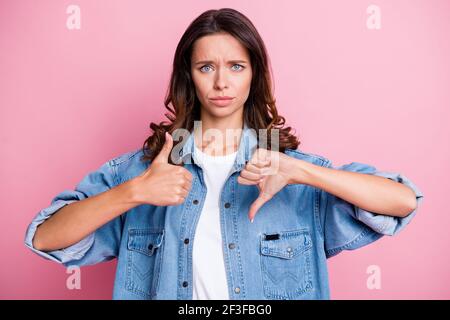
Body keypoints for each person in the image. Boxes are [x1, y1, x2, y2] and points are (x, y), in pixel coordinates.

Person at [25, 8, 423, 300]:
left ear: (254, 74)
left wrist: (301, 172)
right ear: (189, 76)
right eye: (205, 67)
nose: (220, 82)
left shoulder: (289, 170)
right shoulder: (144, 171)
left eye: (235, 66)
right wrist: (134, 192)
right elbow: (45, 237)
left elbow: (402, 201)